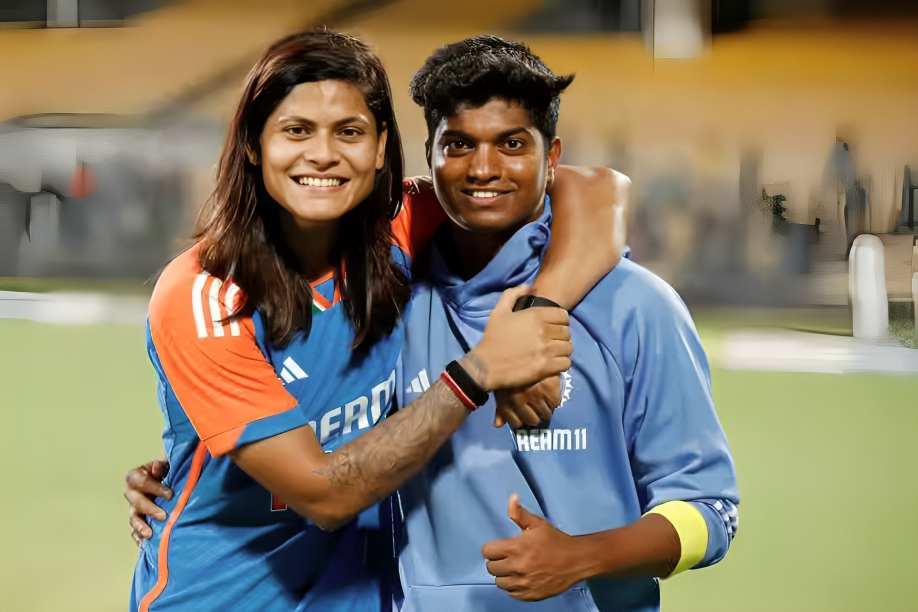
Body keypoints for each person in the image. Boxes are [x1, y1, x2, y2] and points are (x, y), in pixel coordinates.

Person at [126, 30, 628, 612]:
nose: (323, 154)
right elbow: (324, 493)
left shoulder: (397, 231)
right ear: (252, 145)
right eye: (296, 131)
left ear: (381, 144)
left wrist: (539, 312)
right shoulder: (205, 294)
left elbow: (595, 189)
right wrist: (482, 370)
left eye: (349, 132)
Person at [386, 35, 739, 611]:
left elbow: (709, 511)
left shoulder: (637, 306)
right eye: (458, 144)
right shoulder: (394, 298)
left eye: (512, 144)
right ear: (428, 156)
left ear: (552, 159)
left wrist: (583, 556)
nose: (482, 168)